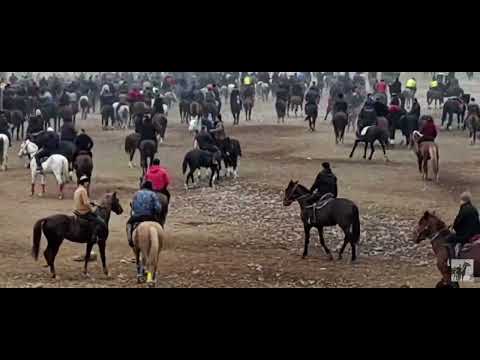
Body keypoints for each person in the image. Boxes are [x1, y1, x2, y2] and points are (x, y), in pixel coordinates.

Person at [126, 181, 162, 247]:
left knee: (128, 224)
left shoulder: (137, 193)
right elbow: (158, 208)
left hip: (138, 217)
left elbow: (133, 205)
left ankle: (130, 240)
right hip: (150, 217)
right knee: (159, 226)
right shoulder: (153, 194)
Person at [73, 175, 106, 243]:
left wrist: (95, 203)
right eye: (86, 182)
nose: (88, 183)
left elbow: (85, 201)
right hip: (84, 212)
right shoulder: (83, 190)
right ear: (83, 182)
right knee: (101, 222)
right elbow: (86, 203)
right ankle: (94, 238)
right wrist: (92, 210)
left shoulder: (78, 189)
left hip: (77, 210)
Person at [447, 192, 480, 257]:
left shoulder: (463, 209)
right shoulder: (474, 208)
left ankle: (453, 259)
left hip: (465, 236)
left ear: (462, 200)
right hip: (476, 234)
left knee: (449, 238)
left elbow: (457, 224)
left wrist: (453, 228)